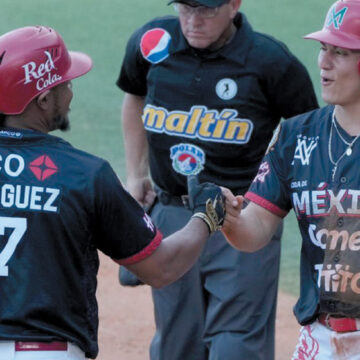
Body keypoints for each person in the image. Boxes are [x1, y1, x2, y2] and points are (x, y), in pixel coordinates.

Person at [0, 25, 224, 360]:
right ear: (44, 99)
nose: (71, 93)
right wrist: (205, 216)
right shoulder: (84, 174)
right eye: (66, 83)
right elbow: (161, 268)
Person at [116, 0, 319, 359]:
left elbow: (309, 129)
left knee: (236, 345)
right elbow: (135, 97)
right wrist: (136, 176)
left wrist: (278, 193)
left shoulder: (270, 62)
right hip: (172, 211)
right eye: (185, 8)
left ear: (234, 6)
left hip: (243, 216)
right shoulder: (153, 41)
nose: (193, 21)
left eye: (206, 11)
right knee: (177, 345)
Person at [222, 0, 360, 358]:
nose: (323, 63)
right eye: (323, 49)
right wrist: (229, 217)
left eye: (340, 53)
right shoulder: (296, 136)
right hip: (321, 338)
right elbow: (255, 231)